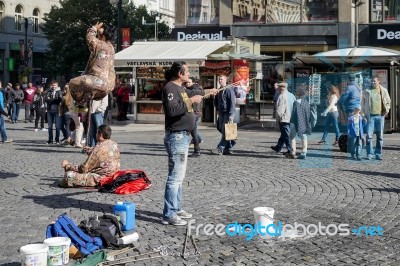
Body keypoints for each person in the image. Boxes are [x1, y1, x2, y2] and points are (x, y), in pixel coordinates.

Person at [161, 61, 216, 226]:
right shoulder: (170, 88)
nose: (189, 75)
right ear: (180, 73)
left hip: (182, 137)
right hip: (176, 137)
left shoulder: (181, 88)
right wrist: (192, 101)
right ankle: (169, 214)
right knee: (175, 178)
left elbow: (194, 93)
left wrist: (207, 92)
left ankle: (176, 208)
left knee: (179, 177)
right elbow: (172, 110)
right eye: (187, 72)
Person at [69, 22, 115, 106]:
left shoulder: (101, 45)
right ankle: (85, 99)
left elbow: (90, 39)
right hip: (108, 84)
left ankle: (80, 102)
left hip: (97, 81)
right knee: (84, 84)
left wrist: (94, 28)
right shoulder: (111, 47)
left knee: (72, 82)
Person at [361, 75, 391, 160]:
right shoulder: (366, 91)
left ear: (379, 81)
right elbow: (362, 105)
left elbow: (388, 101)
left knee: (380, 136)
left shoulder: (383, 90)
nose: (373, 82)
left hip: (380, 116)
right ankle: (370, 154)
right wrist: (363, 115)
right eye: (372, 81)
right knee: (369, 136)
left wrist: (386, 110)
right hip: (370, 117)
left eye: (374, 81)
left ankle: (378, 153)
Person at [211, 75, 237, 155]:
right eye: (219, 79)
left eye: (221, 79)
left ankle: (220, 148)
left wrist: (231, 114)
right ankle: (229, 146)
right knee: (220, 128)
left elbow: (232, 102)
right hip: (221, 112)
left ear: (225, 80)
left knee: (226, 131)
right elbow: (215, 101)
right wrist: (217, 108)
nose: (220, 80)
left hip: (227, 113)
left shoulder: (229, 89)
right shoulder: (219, 90)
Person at [271, 82, 296, 154]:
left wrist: (278, 119)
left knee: (286, 135)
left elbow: (280, 110)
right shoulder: (291, 95)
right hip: (291, 117)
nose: (278, 88)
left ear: (281, 88)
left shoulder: (282, 96)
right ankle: (278, 147)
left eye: (279, 87)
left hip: (284, 118)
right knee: (284, 133)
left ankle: (289, 150)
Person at [287, 87, 311, 159]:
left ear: (297, 94)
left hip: (294, 122)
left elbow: (293, 113)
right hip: (304, 121)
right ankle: (304, 152)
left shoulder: (296, 102)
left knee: (292, 136)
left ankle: (293, 152)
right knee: (304, 137)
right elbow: (308, 113)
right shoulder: (306, 103)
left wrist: (290, 121)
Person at [185, 78, 204, 157]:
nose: (187, 84)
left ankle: (197, 151)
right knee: (193, 131)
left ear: (193, 82)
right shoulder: (194, 89)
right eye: (186, 82)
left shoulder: (195, 89)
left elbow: (192, 94)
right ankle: (198, 143)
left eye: (189, 82)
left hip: (195, 113)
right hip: (195, 112)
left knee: (193, 132)